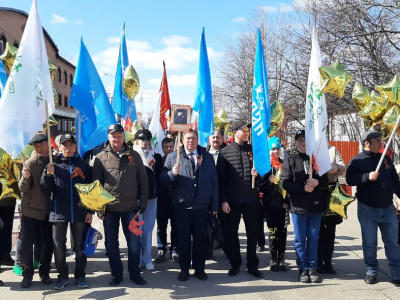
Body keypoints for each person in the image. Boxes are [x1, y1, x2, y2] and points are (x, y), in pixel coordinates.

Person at [92, 124, 148, 286]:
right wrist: (99, 209)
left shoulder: (134, 156)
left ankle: (135, 274)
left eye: (119, 135)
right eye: (113, 136)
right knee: (111, 243)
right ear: (108, 138)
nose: (116, 139)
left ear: (124, 136)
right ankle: (116, 274)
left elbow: (143, 181)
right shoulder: (100, 157)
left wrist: (142, 203)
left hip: (131, 209)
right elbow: (96, 185)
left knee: (134, 243)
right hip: (109, 209)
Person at [161, 129, 219, 281]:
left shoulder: (206, 157)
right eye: (188, 138)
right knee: (184, 240)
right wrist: (172, 174)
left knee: (200, 240)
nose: (190, 141)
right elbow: (162, 179)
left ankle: (199, 269)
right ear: (182, 140)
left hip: (201, 205)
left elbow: (214, 182)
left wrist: (215, 206)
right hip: (182, 206)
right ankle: (184, 269)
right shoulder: (173, 156)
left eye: (193, 138)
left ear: (197, 139)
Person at [346, 130, 400, 285]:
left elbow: (395, 181)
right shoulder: (357, 161)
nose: (381, 143)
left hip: (388, 208)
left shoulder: (386, 159)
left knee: (393, 243)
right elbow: (350, 179)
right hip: (368, 209)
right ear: (367, 143)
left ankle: (396, 272)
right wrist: (366, 177)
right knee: (370, 243)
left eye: (381, 140)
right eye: (377, 140)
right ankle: (371, 270)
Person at [41, 133, 92, 290]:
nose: (68, 148)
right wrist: (48, 175)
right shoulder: (53, 165)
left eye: (71, 145)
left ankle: (80, 276)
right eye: (65, 145)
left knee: (80, 247)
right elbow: (45, 190)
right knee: (59, 247)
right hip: (58, 212)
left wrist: (90, 211)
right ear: (59, 147)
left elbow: (90, 190)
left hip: (79, 212)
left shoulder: (83, 165)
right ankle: (63, 276)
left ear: (75, 146)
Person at [281, 129, 328, 284]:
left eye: (305, 140)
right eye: (299, 140)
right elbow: (285, 182)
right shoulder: (290, 160)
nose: (303, 143)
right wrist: (302, 187)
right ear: (295, 142)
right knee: (300, 240)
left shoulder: (317, 159)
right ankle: (302, 268)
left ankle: (312, 267)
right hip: (298, 207)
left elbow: (326, 181)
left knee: (314, 238)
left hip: (315, 206)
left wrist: (318, 182)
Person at [217, 120, 262, 278]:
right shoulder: (225, 153)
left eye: (247, 130)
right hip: (232, 201)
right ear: (235, 132)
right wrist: (223, 200)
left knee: (253, 234)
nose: (247, 133)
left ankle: (252, 265)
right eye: (243, 130)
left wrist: (259, 175)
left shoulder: (254, 151)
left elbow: (265, 175)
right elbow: (220, 180)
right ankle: (235, 263)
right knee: (231, 233)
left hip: (251, 200)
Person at [18, 134, 54, 288]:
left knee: (47, 244)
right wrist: (25, 177)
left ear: (48, 144)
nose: (38, 149)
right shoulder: (30, 163)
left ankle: (44, 272)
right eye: (35, 147)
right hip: (30, 210)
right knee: (27, 244)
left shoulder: (55, 161)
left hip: (49, 211)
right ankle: (27, 275)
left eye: (41, 145)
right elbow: (22, 188)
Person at [132, 129, 163, 270]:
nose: (145, 142)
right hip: (137, 199)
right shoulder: (132, 156)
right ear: (136, 140)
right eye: (142, 139)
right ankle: (137, 258)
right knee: (137, 230)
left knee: (148, 229)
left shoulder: (155, 156)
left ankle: (147, 258)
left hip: (152, 197)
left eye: (147, 139)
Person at [258, 137, 289, 272]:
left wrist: (287, 202)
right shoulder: (265, 167)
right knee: (272, 232)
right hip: (270, 205)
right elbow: (260, 187)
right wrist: (269, 182)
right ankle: (272, 258)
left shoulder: (285, 164)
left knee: (282, 232)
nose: (275, 151)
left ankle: (281, 258)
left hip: (283, 206)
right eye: (272, 149)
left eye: (277, 148)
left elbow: (289, 186)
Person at [317, 145, 346, 274]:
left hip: (331, 193)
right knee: (316, 231)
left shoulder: (332, 150)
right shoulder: (310, 149)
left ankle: (328, 262)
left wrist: (337, 168)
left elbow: (343, 167)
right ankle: (317, 262)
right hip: (315, 193)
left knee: (330, 231)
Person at [155, 137, 179, 263]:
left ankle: (174, 249)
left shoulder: (178, 160)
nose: (169, 149)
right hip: (162, 200)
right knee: (161, 227)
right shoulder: (159, 162)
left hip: (176, 200)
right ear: (163, 148)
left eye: (171, 147)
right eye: (166, 147)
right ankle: (161, 248)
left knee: (175, 226)